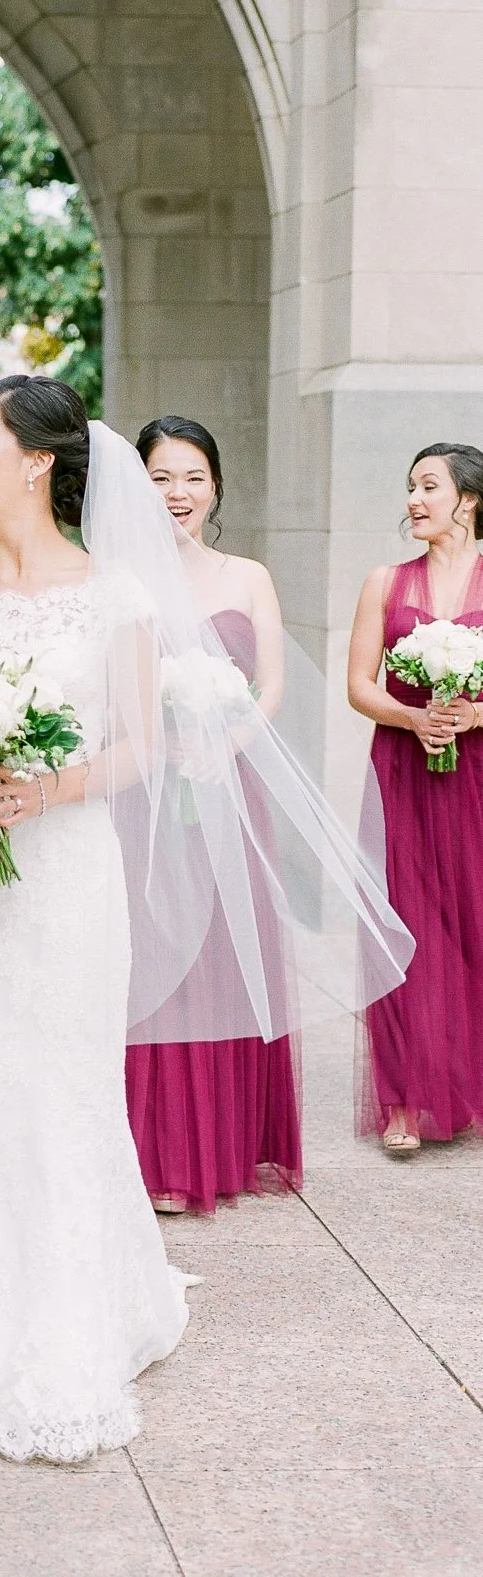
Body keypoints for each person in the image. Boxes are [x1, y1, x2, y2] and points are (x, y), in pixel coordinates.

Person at [0, 378, 194, 1463]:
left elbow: (138, 747)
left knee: (59, 1086)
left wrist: (42, 791)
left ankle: (69, 1327)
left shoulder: (115, 598)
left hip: (65, 877)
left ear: (35, 459)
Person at [124, 416, 302, 1214]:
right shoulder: (118, 581)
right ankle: (155, 1149)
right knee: (157, 957)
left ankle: (224, 1146)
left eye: (192, 477)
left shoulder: (248, 575)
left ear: (216, 487)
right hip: (145, 793)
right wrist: (158, 744)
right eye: (160, 478)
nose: (177, 494)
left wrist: (227, 741)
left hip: (232, 785)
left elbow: (269, 683)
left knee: (229, 957)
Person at [348, 443, 483, 1152]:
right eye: (410, 487)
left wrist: (475, 714)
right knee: (403, 926)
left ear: (468, 499)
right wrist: (412, 717)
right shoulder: (384, 581)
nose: (414, 500)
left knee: (475, 923)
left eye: (429, 486)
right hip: (403, 770)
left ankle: (469, 1086)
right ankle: (403, 1100)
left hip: (477, 776)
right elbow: (360, 685)